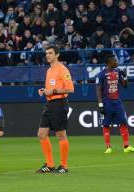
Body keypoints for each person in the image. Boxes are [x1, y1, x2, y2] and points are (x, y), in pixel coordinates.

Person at [37, 46, 74, 174]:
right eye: (46, 53)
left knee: (61, 135)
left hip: (60, 103)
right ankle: (50, 165)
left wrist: (52, 91)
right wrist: (45, 91)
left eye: (51, 53)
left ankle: (64, 166)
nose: (48, 55)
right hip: (49, 103)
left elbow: (70, 89)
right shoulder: (49, 70)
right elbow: (51, 88)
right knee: (41, 134)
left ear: (57, 55)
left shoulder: (63, 69)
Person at [96, 54, 134, 154]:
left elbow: (125, 86)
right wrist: (100, 105)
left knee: (123, 122)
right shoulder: (101, 74)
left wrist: (125, 76)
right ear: (109, 62)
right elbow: (98, 91)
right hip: (107, 102)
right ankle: (108, 147)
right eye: (115, 60)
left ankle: (126, 146)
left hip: (117, 101)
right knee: (106, 124)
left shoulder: (118, 71)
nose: (117, 62)